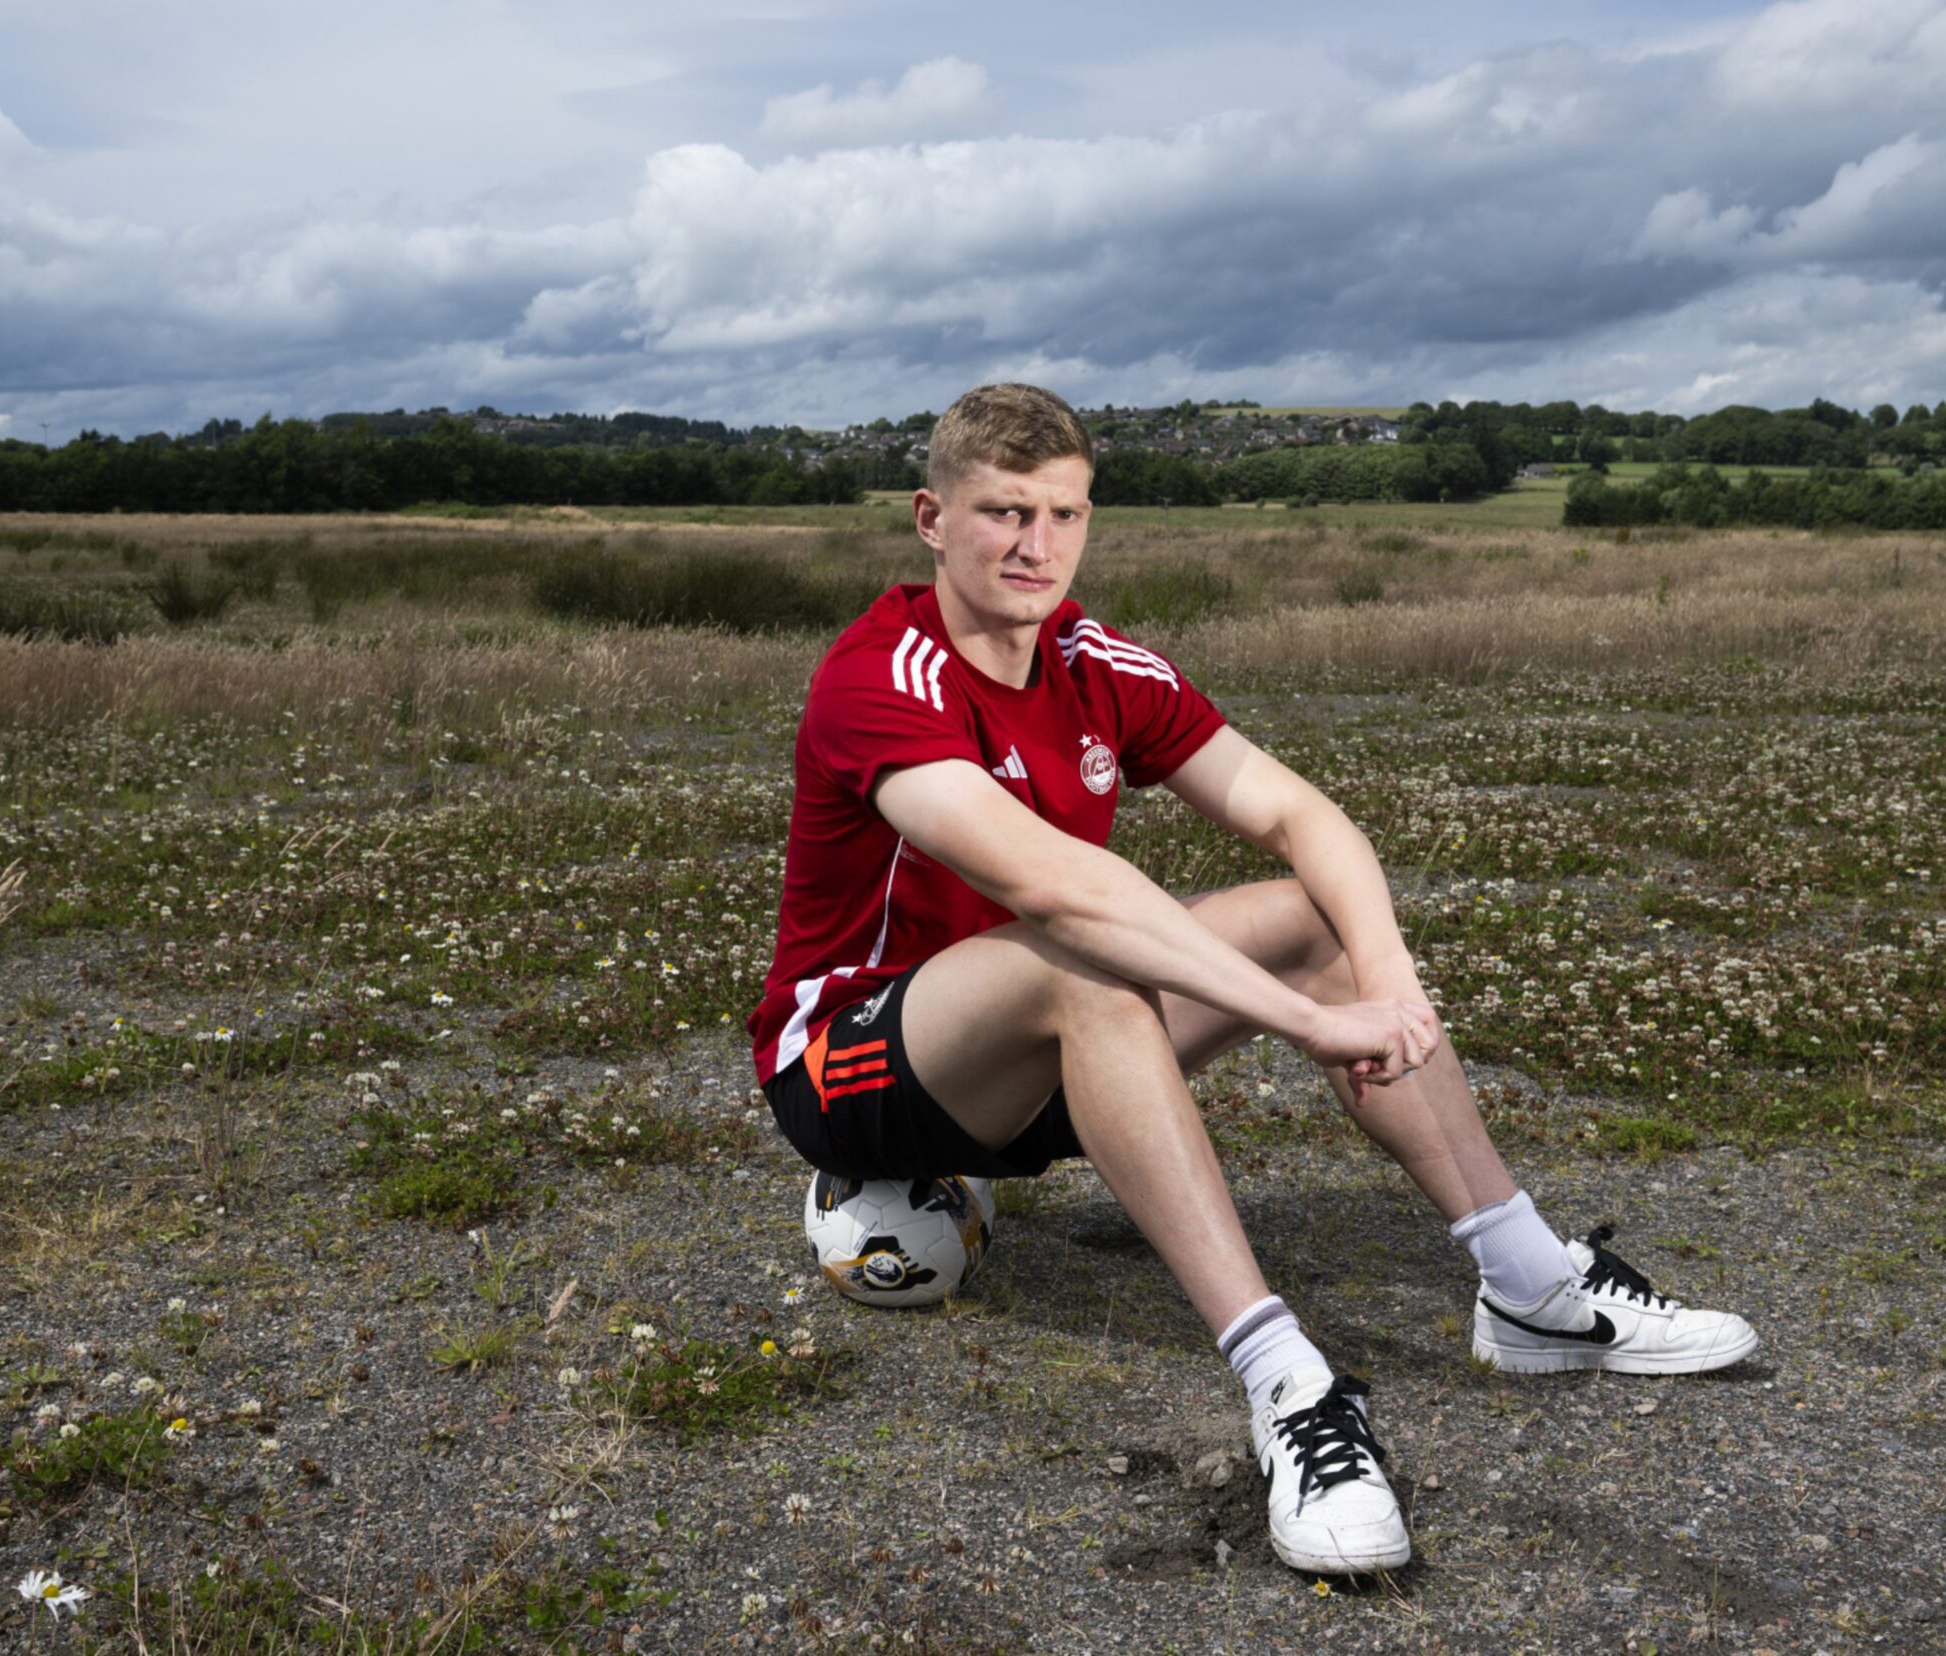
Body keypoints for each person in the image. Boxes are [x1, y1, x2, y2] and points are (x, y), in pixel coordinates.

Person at [751, 383, 1756, 1576]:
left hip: (1039, 1051)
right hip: (857, 1065)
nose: (1037, 546)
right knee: (1088, 954)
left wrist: (1379, 985)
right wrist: (1298, 1025)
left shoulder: (1092, 659)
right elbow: (1062, 891)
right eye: (1003, 513)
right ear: (931, 516)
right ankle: (1291, 1384)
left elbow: (1297, 811)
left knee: (1305, 913)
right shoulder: (882, 677)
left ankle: (1530, 1288)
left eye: (1063, 515)